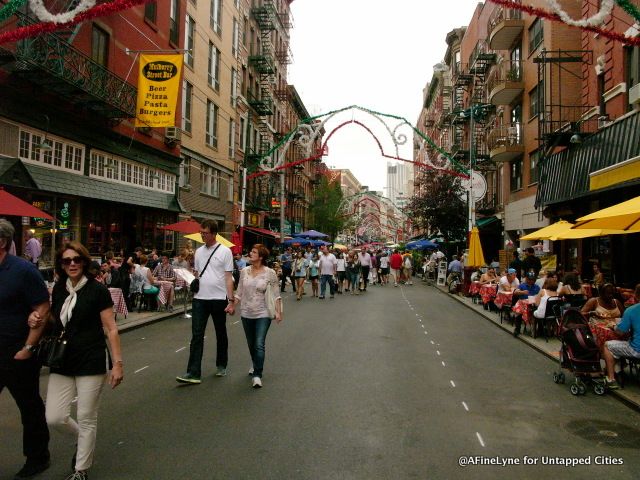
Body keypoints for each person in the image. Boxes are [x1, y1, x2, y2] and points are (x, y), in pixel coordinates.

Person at [31, 241, 123, 480]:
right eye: (66, 261)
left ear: (84, 262)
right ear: (61, 265)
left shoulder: (97, 290)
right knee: (55, 416)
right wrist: (35, 317)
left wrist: (117, 364)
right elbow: (54, 320)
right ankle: (83, 438)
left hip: (91, 359)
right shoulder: (60, 288)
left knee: (86, 415)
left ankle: (80, 470)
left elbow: (111, 329)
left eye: (76, 260)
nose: (72, 264)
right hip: (63, 358)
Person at [0, 220, 51, 479]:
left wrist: (28, 347)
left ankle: (37, 457)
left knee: (29, 406)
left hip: (18, 351)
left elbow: (42, 307)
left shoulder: (23, 271)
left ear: (2, 241)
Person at [177, 220, 235, 384]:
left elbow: (228, 277)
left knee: (220, 332)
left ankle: (221, 364)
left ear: (214, 233)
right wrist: (193, 279)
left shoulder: (225, 252)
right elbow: (198, 272)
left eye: (205, 233)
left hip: (218, 298)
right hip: (200, 298)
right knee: (197, 335)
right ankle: (193, 372)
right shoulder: (198, 252)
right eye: (201, 232)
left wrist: (231, 300)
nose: (202, 235)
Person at [233, 244, 282, 388]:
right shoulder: (244, 271)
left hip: (263, 312)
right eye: (251, 251)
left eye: (253, 252)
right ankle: (255, 363)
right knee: (251, 344)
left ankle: (257, 375)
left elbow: (276, 294)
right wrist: (232, 305)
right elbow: (239, 292)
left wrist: (278, 312)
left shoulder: (270, 273)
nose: (250, 253)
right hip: (246, 312)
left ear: (260, 257)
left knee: (259, 343)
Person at [602, 284, 640, 389]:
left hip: (637, 349)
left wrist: (613, 326)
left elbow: (620, 332)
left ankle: (611, 379)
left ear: (636, 296)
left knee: (607, 345)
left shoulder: (631, 310)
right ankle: (619, 367)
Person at [512, 272, 542, 337]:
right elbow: (515, 292)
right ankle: (517, 329)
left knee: (540, 311)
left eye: (533, 280)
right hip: (522, 304)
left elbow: (540, 295)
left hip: (534, 304)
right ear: (526, 279)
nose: (531, 281)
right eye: (529, 279)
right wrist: (522, 292)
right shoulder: (522, 285)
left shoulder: (537, 287)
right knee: (519, 312)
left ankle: (539, 330)